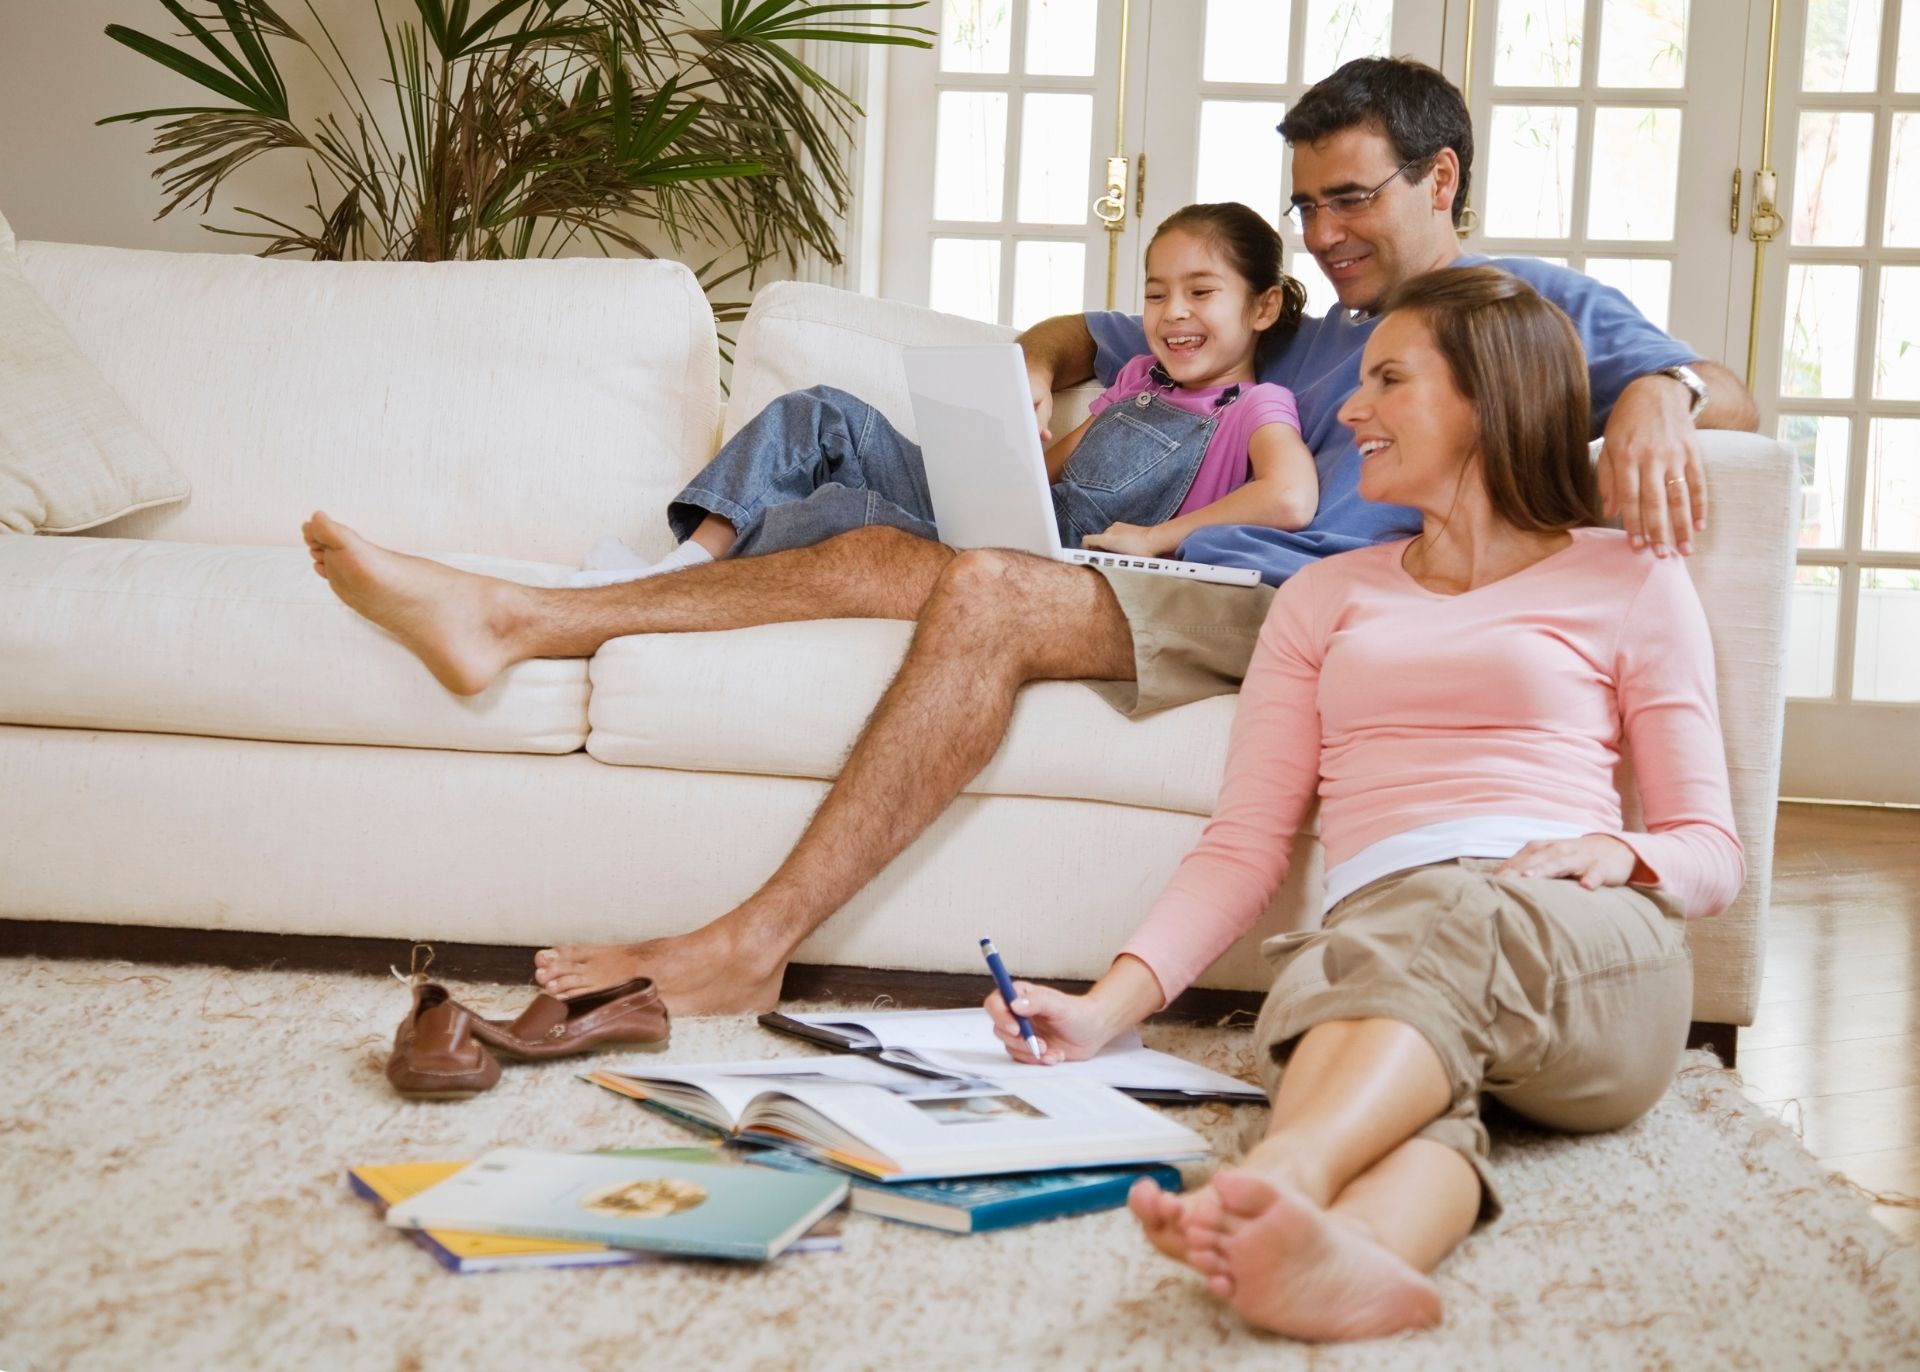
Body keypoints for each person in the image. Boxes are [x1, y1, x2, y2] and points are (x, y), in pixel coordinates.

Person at [300, 57, 1757, 1016]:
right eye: (1305, 203)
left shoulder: (1526, 305)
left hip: (1302, 605)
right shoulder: (1296, 328)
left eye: (1351, 197)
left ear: (1442, 181)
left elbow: (1733, 390)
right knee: (883, 556)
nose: (1319, 232)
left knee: (989, 592)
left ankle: (751, 938)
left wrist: (1666, 399)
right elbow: (1094, 327)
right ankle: (522, 618)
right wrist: (1038, 379)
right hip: (1179, 574)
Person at [983, 266, 1743, 1341]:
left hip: (1582, 944)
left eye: (1389, 378)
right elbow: (1244, 843)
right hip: (1381, 949)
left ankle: (1281, 1171)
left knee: (1445, 918)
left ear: (1487, 398)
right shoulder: (1324, 595)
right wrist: (1103, 1010)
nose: (1348, 407)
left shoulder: (1628, 576)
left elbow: (1712, 850)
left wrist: (1620, 853)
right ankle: (1359, 1259)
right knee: (1356, 979)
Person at [561, 201, 1319, 587]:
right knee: (818, 410)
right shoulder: (1137, 379)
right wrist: (996, 450)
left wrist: (1154, 538)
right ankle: (683, 564)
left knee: (842, 514)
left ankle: (680, 586)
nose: (1173, 314)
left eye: (1200, 292)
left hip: (1049, 560)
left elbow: (1289, 497)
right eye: (1157, 294)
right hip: (1004, 513)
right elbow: (1052, 473)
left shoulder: (1254, 408)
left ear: (1259, 309)